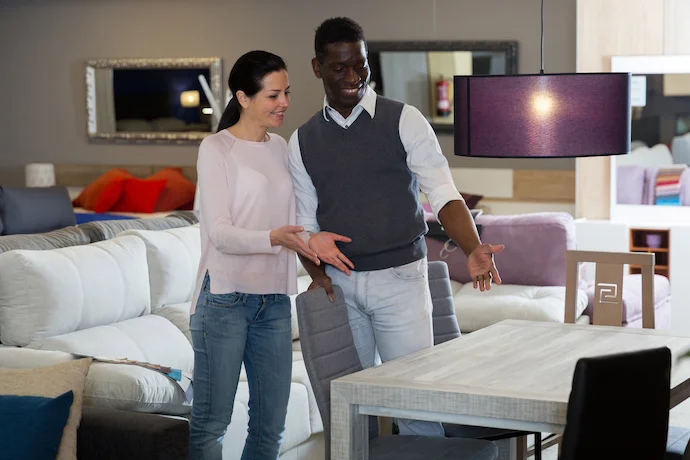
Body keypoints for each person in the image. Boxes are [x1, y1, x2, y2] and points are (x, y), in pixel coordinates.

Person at [288, 17, 505, 436]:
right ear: (317, 68)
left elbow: (443, 194)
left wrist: (473, 246)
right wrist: (318, 275)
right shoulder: (302, 141)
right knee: (349, 410)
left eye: (361, 65)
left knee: (415, 402)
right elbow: (305, 222)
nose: (354, 77)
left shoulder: (405, 120)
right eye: (339, 68)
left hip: (402, 280)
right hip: (341, 286)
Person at [189, 50, 343, 460]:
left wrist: (314, 242)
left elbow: (298, 219)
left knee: (269, 428)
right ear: (243, 97)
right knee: (211, 425)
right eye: (274, 95)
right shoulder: (215, 148)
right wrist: (275, 237)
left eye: (287, 93)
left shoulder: (283, 147)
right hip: (223, 300)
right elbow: (220, 234)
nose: (285, 104)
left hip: (274, 301)